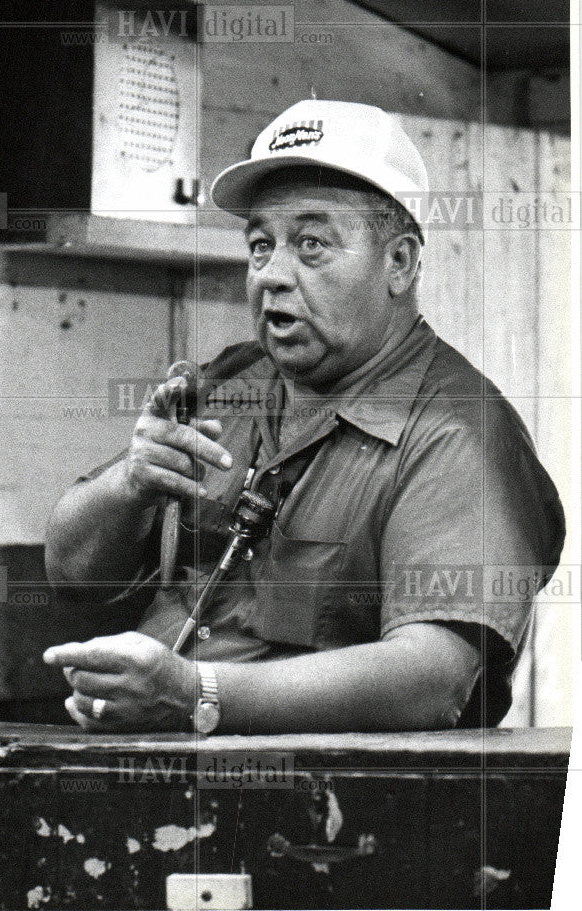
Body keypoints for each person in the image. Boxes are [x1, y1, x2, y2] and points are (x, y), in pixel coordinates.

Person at [43, 100, 565, 735]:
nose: (273, 276)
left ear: (399, 263)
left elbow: (432, 682)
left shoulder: (458, 435)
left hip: (337, 811)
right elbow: (71, 577)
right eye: (261, 244)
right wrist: (127, 485)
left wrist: (195, 693)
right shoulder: (229, 384)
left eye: (311, 245)